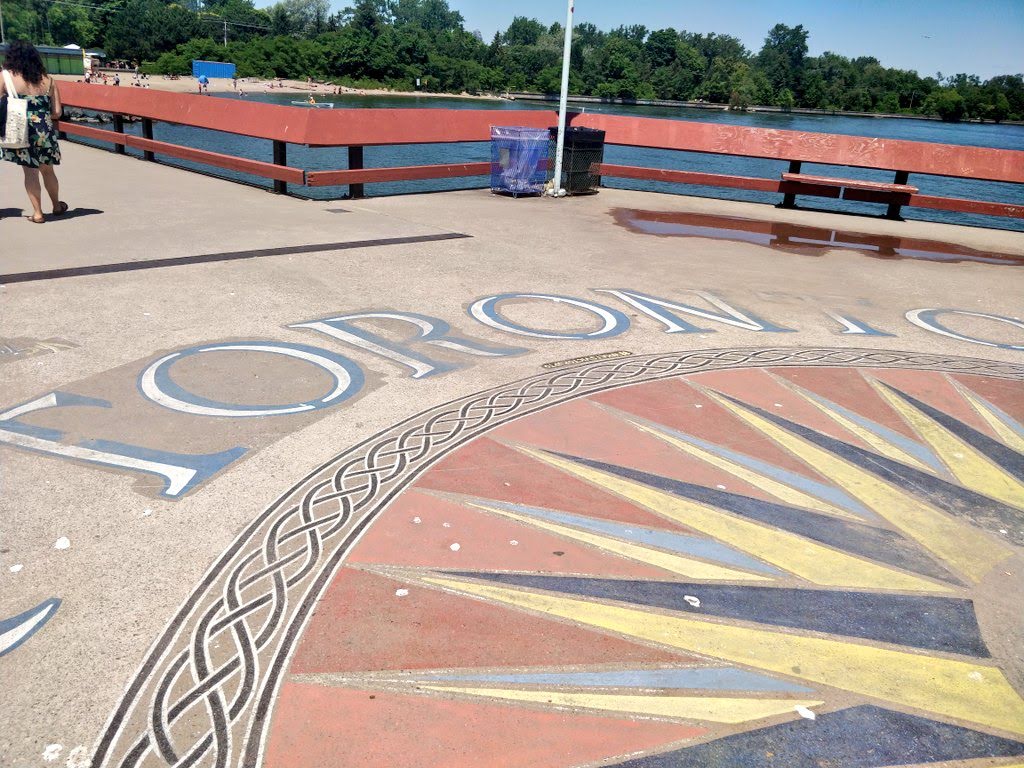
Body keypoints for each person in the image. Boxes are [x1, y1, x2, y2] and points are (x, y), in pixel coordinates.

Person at [1, 41, 67, 223]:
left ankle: (38, 213)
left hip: (22, 129)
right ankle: (56, 205)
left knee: (30, 172)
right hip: (45, 129)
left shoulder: (5, 77)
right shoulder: (49, 80)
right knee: (48, 170)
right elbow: (57, 112)